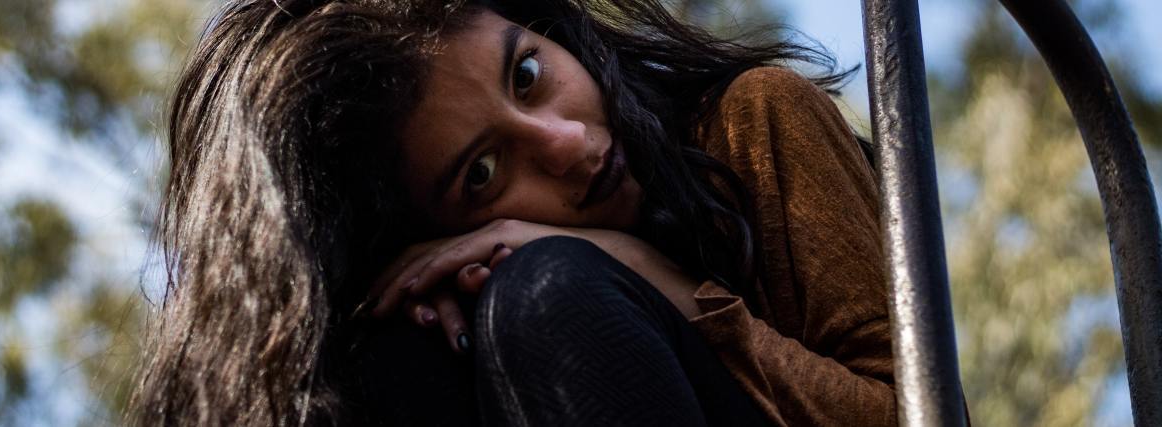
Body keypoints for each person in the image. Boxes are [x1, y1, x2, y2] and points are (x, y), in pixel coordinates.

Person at [130, 0, 894, 426]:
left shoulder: (753, 120)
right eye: (483, 173)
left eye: (527, 74)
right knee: (394, 358)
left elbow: (913, 411)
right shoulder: (461, 295)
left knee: (550, 293)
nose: (564, 144)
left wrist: (645, 276)